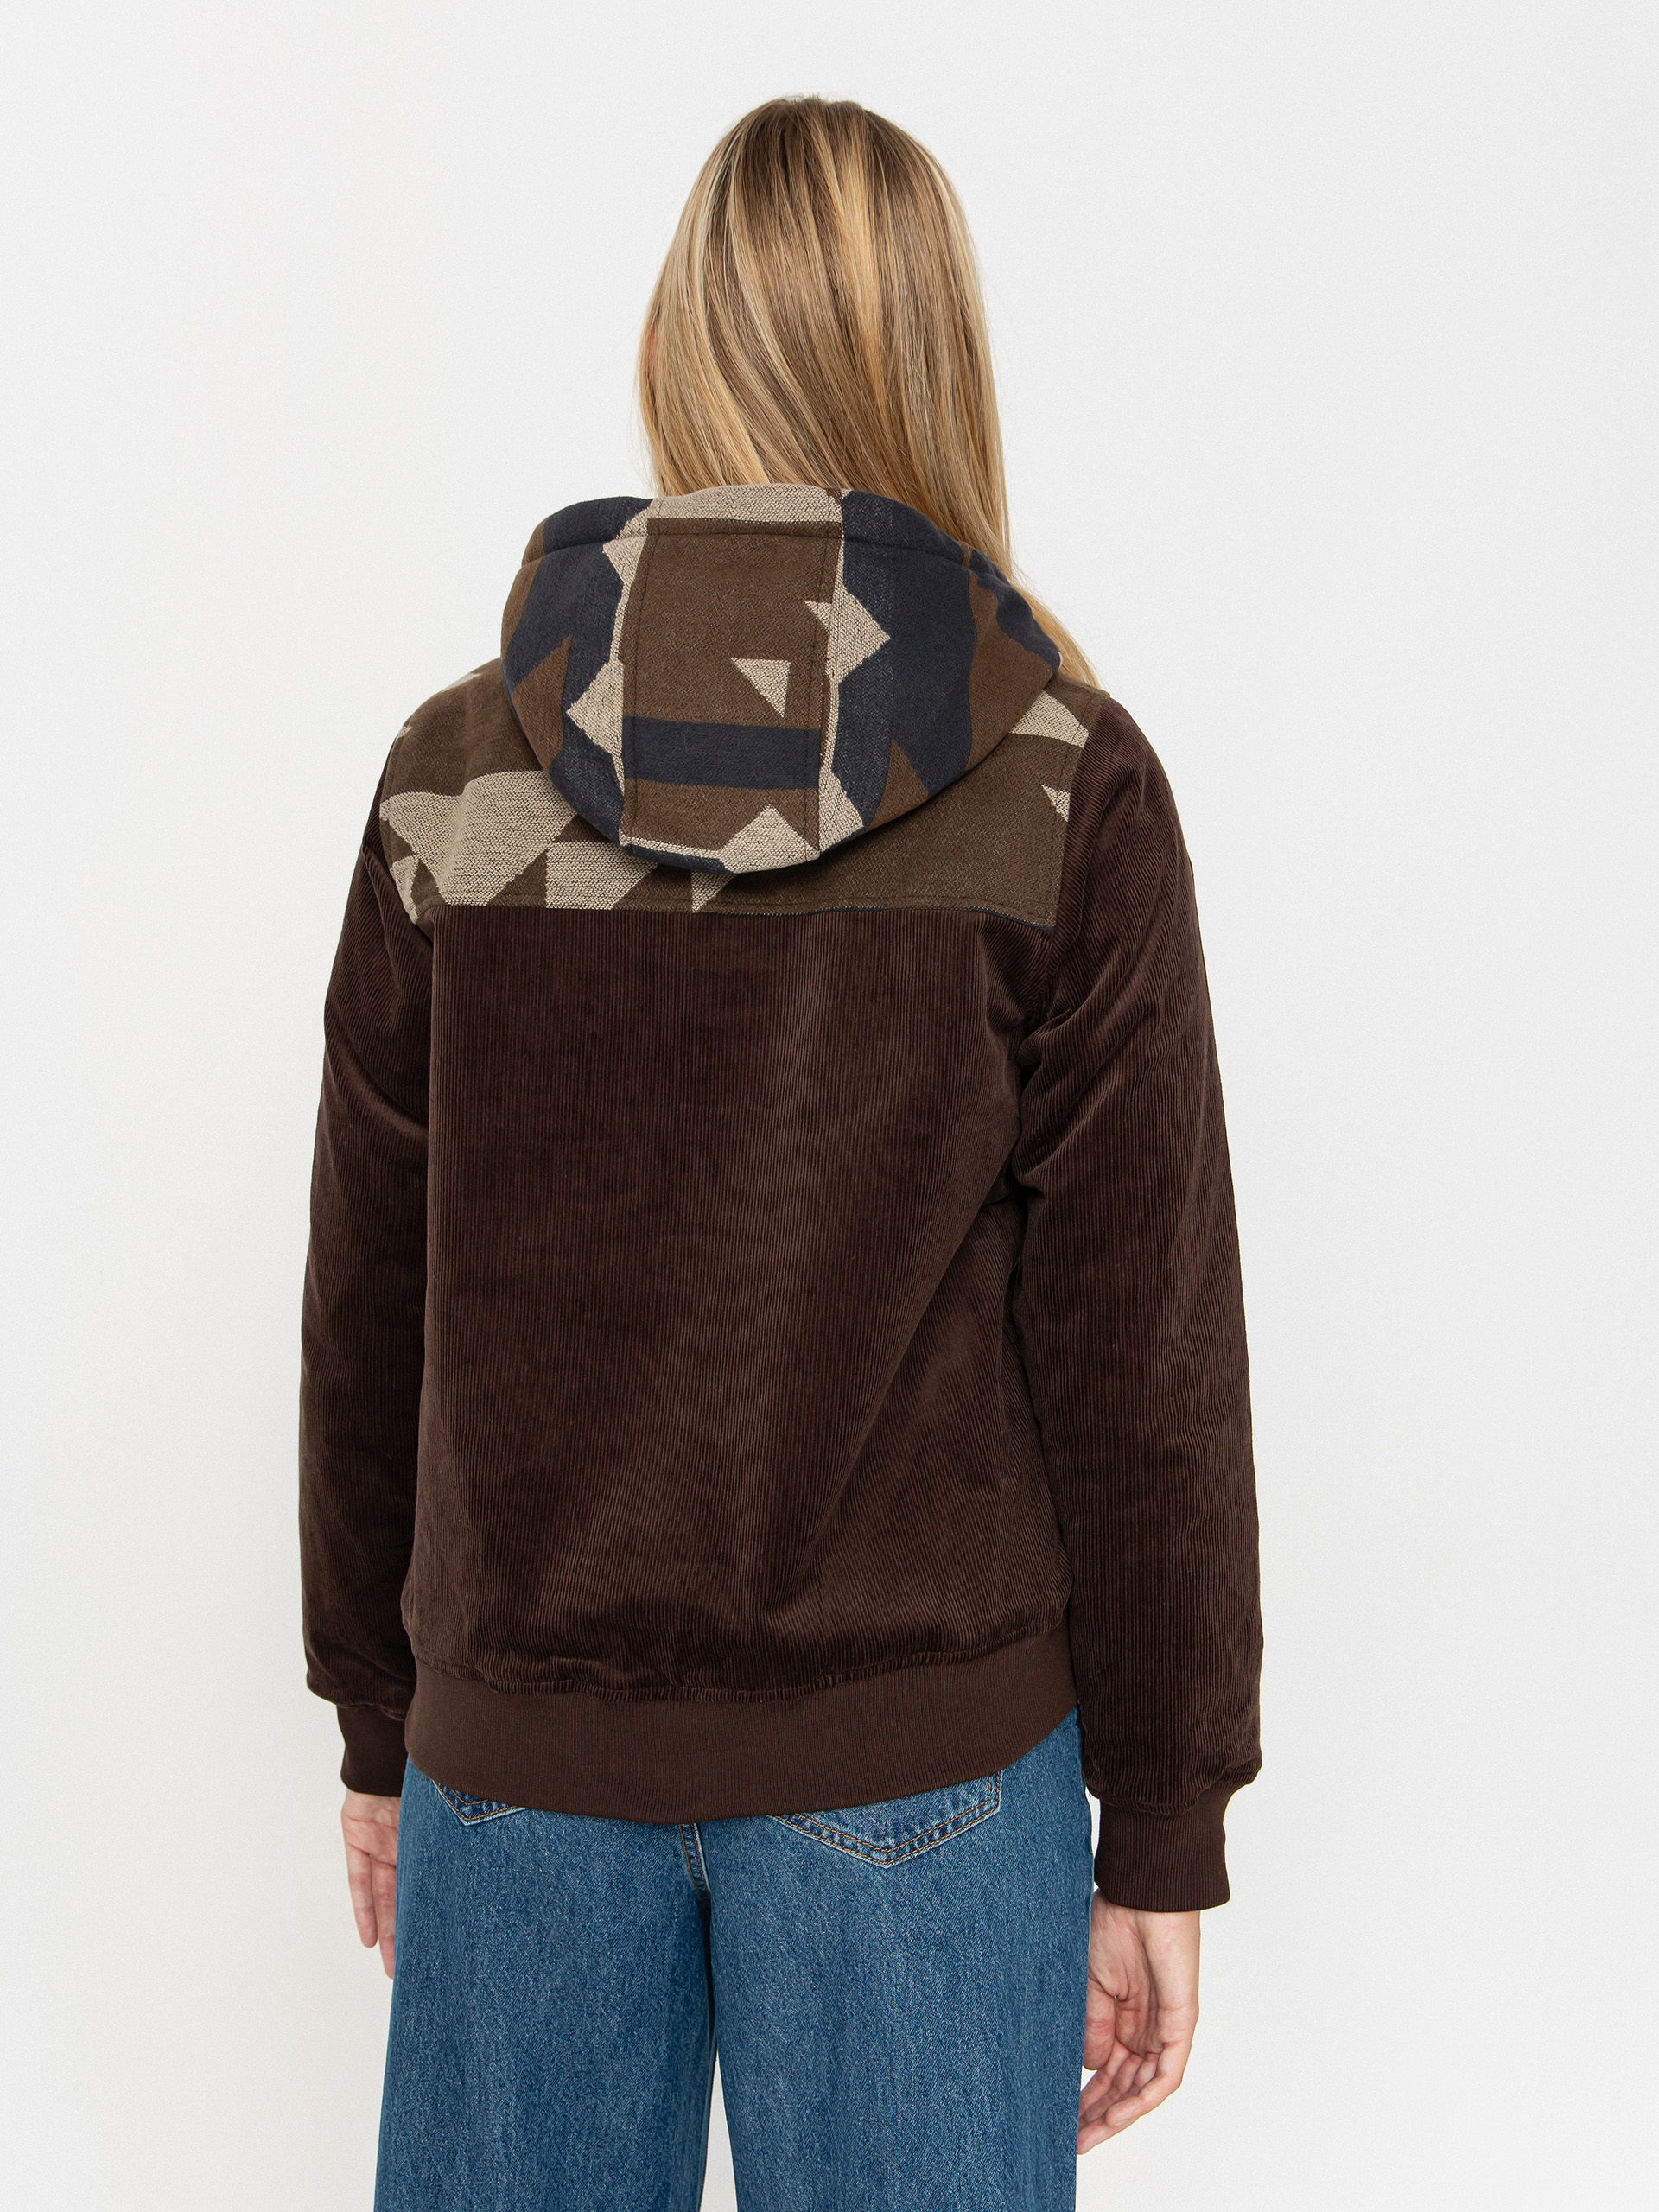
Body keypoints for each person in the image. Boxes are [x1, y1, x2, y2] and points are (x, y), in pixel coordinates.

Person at [300, 94, 1262, 2212]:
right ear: (937, 363)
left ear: (676, 345)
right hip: (923, 1774)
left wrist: (384, 1715)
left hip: (519, 1768)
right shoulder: (1059, 786)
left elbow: (370, 1287)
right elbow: (1145, 1354)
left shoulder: (454, 778)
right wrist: (1164, 1824)